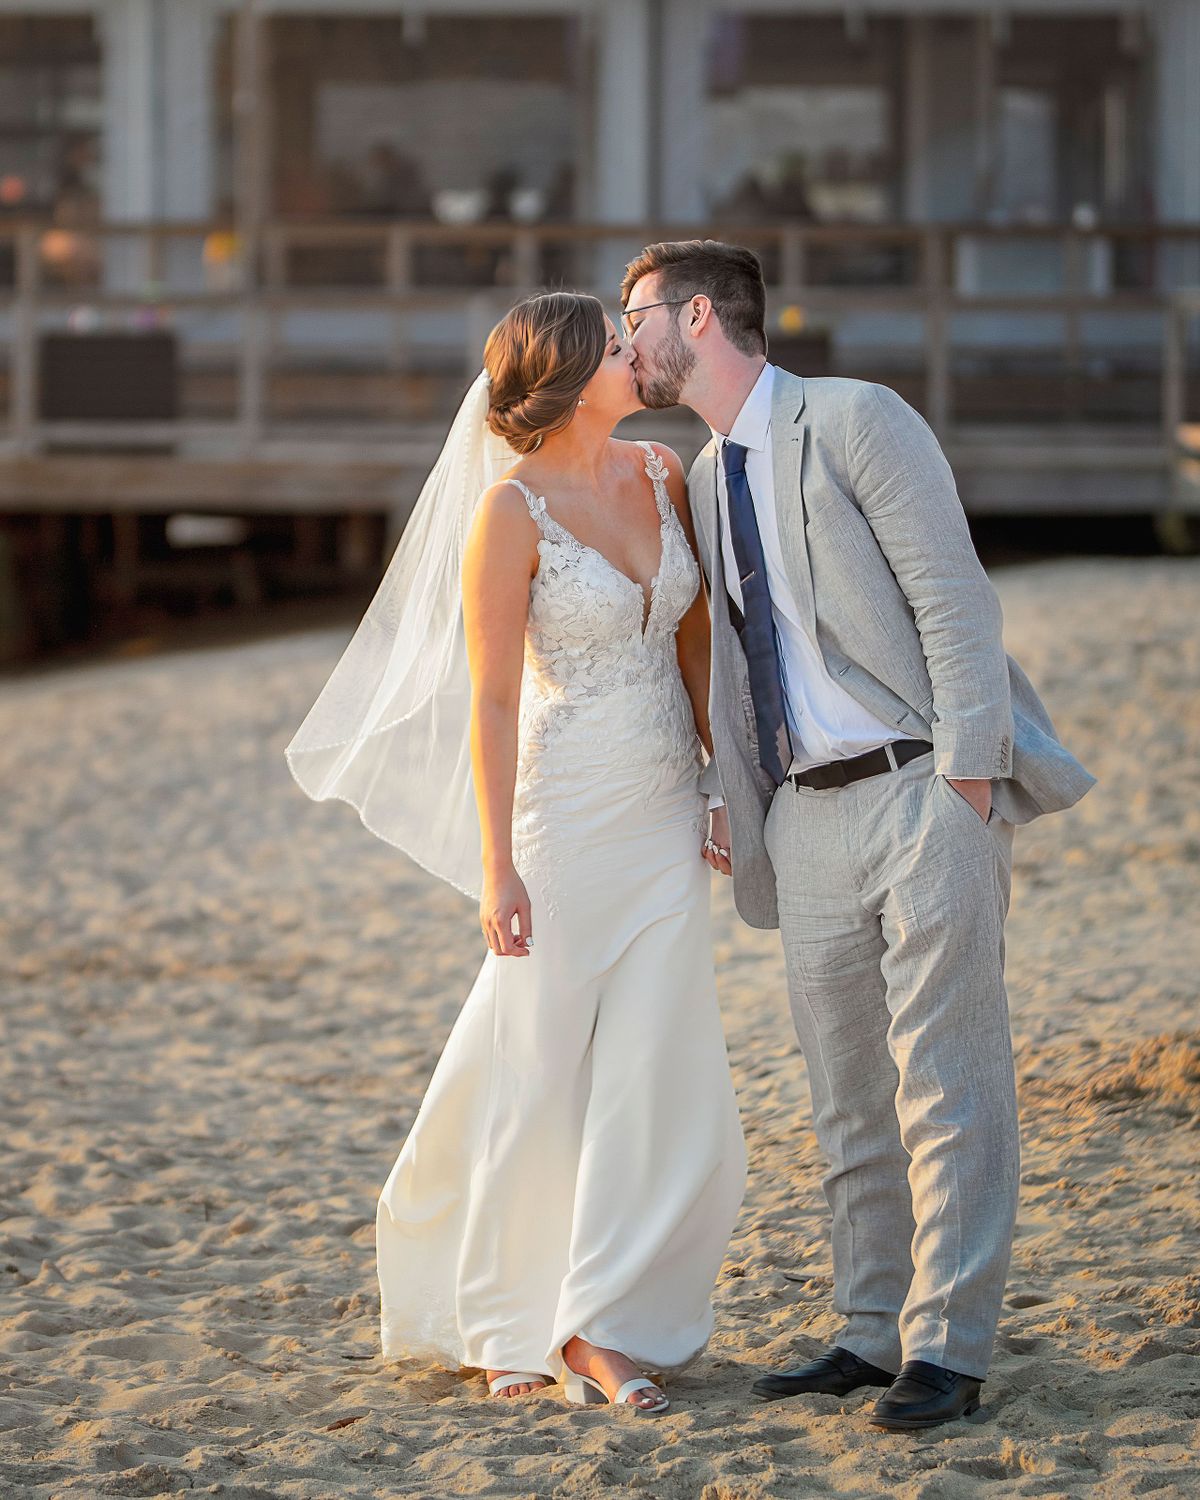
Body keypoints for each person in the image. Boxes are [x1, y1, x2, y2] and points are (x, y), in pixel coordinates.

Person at [620, 239, 1096, 1432]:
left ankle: (951, 1346)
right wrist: (739, 796)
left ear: (697, 316)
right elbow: (732, 660)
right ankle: (871, 1329)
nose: (626, 341)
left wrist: (968, 782)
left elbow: (955, 599)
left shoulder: (857, 419)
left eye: (636, 318)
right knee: (845, 1102)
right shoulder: (700, 476)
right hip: (806, 816)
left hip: (921, 790)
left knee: (950, 1082)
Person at [285, 291, 746, 1414]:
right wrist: (500, 868)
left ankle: (602, 1324)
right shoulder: (509, 513)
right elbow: (492, 703)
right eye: (615, 345)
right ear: (566, 375)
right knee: (539, 1073)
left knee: (658, 1076)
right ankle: (505, 1325)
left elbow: (693, 649)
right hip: (562, 820)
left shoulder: (661, 476)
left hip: (666, 818)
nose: (638, 354)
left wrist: (720, 782)